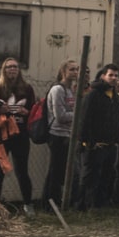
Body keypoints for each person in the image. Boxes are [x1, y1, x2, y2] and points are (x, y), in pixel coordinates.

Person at [0, 58, 36, 210]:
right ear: (4, 70)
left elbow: (34, 111)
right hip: (2, 136)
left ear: (19, 70)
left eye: (15, 66)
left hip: (21, 135)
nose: (12, 69)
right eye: (9, 67)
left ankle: (28, 206)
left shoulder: (27, 89)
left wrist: (26, 112)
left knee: (22, 172)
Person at [76, 64, 119, 210]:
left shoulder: (116, 98)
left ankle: (100, 205)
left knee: (107, 177)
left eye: (116, 75)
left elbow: (118, 120)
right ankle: (83, 206)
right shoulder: (93, 95)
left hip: (111, 145)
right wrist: (88, 142)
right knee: (90, 177)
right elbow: (84, 120)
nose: (114, 78)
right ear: (103, 76)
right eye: (111, 75)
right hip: (95, 145)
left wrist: (117, 141)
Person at [41, 58, 79, 210]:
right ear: (63, 71)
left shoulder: (71, 90)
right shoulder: (58, 89)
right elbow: (60, 115)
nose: (75, 72)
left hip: (68, 134)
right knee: (55, 171)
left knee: (61, 170)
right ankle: (50, 203)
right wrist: (77, 115)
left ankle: (55, 201)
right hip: (57, 135)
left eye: (77, 69)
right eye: (72, 69)